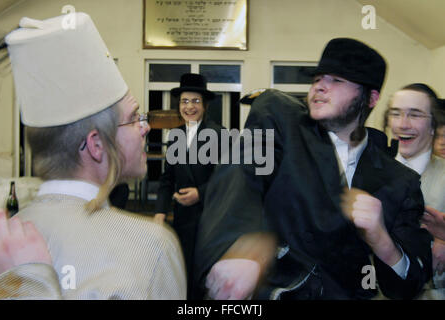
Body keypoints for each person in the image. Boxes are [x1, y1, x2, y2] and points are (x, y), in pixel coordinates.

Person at [193, 38, 432, 300]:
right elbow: (242, 176)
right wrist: (238, 248)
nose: (320, 86)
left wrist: (380, 239)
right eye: (318, 78)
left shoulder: (400, 181)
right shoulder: (282, 125)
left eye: (337, 80)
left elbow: (408, 287)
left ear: (371, 98)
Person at [0, 12, 186, 299]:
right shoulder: (150, 246)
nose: (145, 127)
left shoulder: (3, 242)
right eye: (134, 117)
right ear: (96, 145)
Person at [154, 73, 224, 299]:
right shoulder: (175, 136)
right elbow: (167, 179)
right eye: (184, 101)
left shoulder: (219, 134)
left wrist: (200, 193)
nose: (189, 106)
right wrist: (159, 212)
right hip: (183, 218)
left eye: (195, 101)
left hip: (210, 217)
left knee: (205, 278)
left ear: (204, 105)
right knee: (183, 276)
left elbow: (227, 179)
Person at [386, 84, 445, 298]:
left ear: (433, 126)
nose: (403, 124)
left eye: (415, 114)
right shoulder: (365, 175)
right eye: (396, 113)